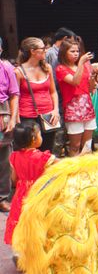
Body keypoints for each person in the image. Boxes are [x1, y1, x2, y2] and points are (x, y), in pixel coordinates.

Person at [4, 121, 56, 245]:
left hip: (21, 193)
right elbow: (63, 164)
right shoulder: (42, 157)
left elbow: (14, 179)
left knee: (22, 218)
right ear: (34, 139)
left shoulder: (14, 156)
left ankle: (23, 246)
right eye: (40, 135)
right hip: (38, 191)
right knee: (39, 219)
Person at [15, 37, 60, 153]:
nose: (46, 50)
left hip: (48, 115)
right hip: (27, 116)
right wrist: (16, 118)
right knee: (29, 151)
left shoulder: (47, 68)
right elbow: (15, 97)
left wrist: (56, 110)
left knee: (48, 150)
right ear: (32, 51)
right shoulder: (19, 71)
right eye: (43, 48)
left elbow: (53, 91)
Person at [55, 39, 97, 156]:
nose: (76, 54)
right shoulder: (61, 69)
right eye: (72, 51)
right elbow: (75, 81)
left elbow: (90, 88)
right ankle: (74, 171)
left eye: (77, 51)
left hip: (87, 106)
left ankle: (86, 170)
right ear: (64, 53)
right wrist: (81, 63)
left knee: (87, 145)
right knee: (75, 146)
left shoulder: (83, 66)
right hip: (73, 109)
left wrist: (93, 77)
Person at [0, 37, 19, 213]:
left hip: (2, 112)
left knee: (4, 159)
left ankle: (3, 197)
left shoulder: (6, 68)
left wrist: (13, 118)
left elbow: (14, 94)